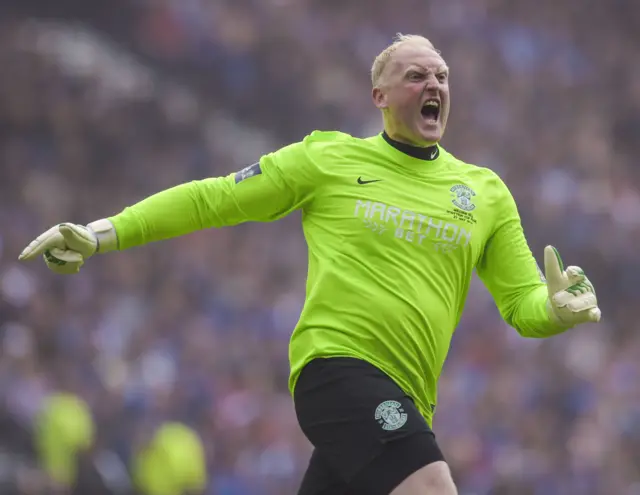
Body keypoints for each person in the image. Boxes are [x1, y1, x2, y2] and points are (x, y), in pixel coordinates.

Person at [19, 34, 601, 495]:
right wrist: (102, 233)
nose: (435, 85)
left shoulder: (485, 191)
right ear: (379, 96)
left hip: (408, 398)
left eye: (443, 76)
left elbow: (523, 304)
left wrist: (557, 308)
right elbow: (213, 199)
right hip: (336, 372)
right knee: (431, 488)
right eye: (416, 75)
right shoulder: (327, 158)